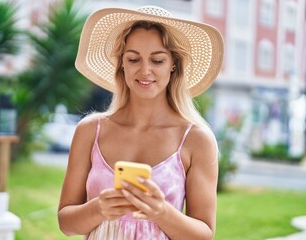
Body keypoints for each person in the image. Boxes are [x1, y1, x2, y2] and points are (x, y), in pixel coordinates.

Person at [58, 5, 224, 240]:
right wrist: (97, 209)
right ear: (122, 63)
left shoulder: (196, 139)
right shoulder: (90, 130)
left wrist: (161, 212)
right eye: (134, 59)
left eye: (157, 61)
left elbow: (205, 235)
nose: (145, 71)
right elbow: (66, 223)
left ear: (173, 64)